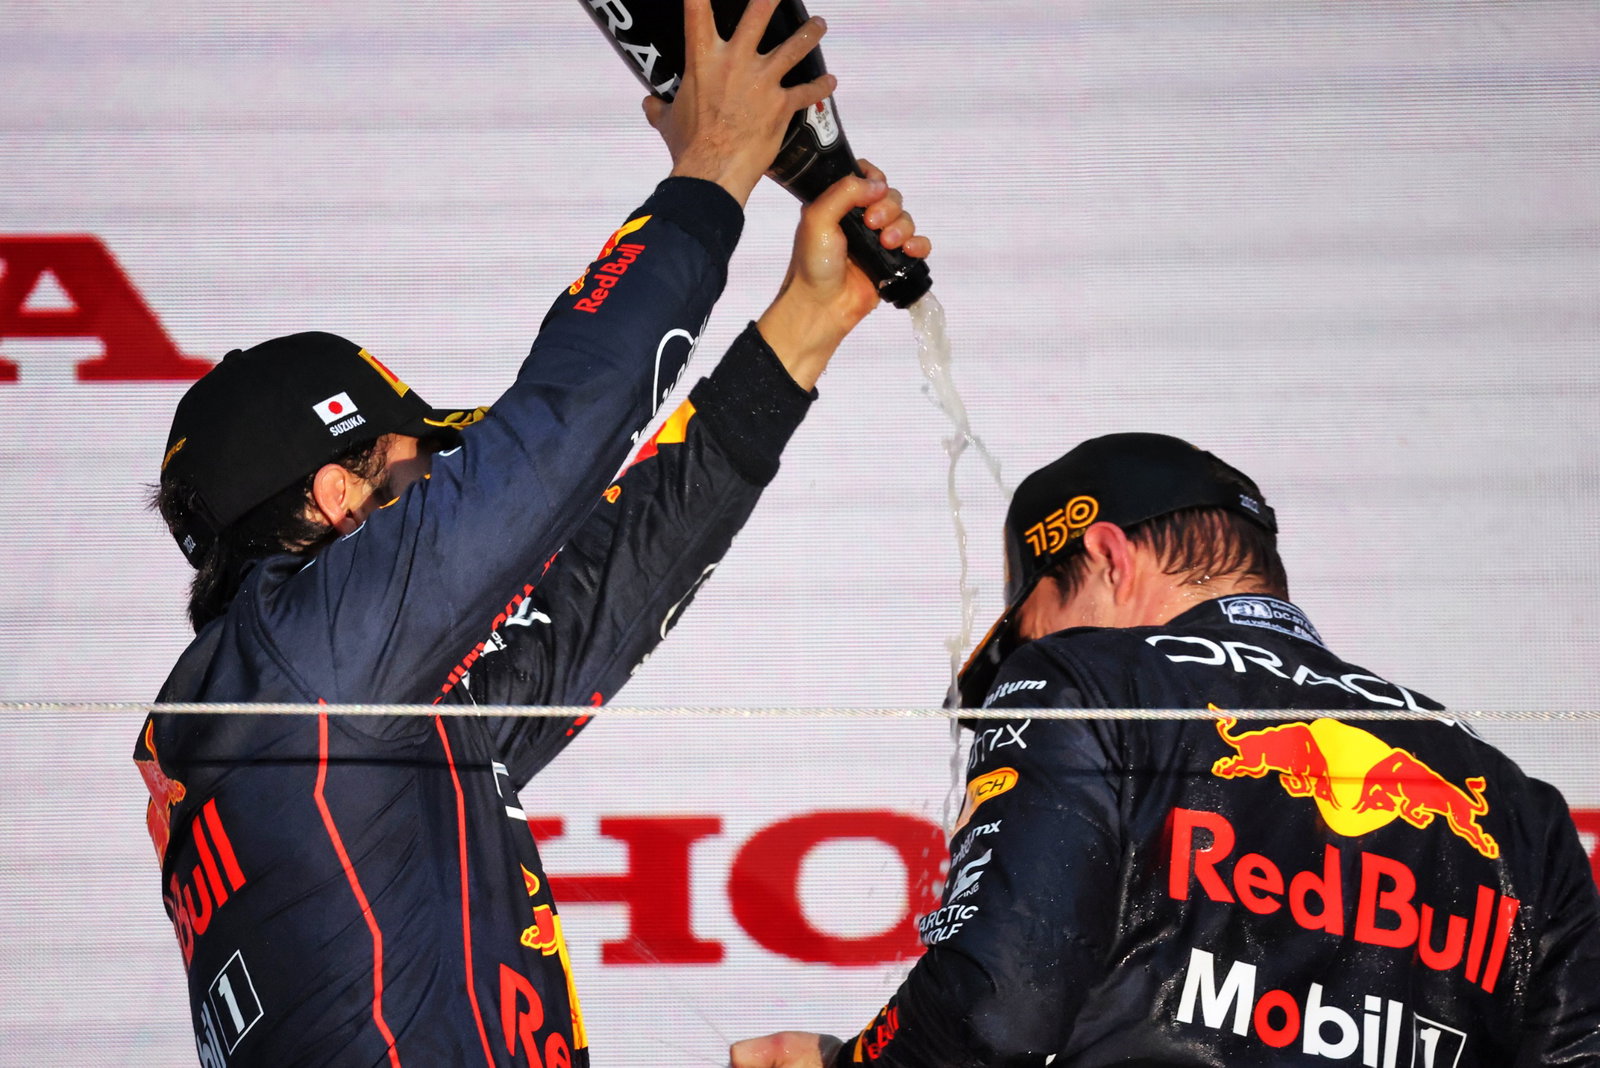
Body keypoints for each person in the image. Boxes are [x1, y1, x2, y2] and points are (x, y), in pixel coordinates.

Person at [133, 2, 931, 1063]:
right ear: (335, 497)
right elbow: (557, 433)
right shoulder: (307, 663)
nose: (452, 491)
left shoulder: (325, 719)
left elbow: (603, 595)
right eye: (420, 468)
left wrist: (804, 322)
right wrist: (714, 168)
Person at [733, 432, 1600, 1067]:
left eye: (1036, 619)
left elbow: (995, 1007)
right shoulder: (1515, 801)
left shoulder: (1083, 679)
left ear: (1106, 554)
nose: (1029, 654)